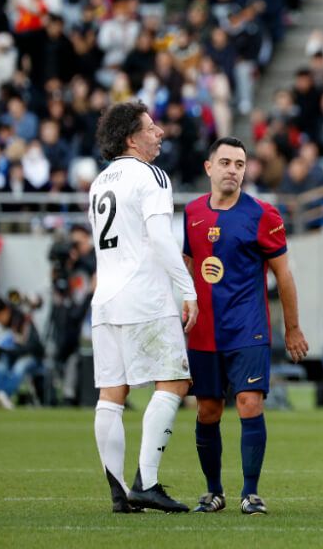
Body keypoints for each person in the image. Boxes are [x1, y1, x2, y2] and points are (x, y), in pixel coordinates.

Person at [182, 136, 309, 515]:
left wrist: (292, 328)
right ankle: (213, 491)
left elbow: (284, 275)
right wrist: (182, 311)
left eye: (239, 164)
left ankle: (250, 493)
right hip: (204, 330)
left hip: (248, 327)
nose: (233, 170)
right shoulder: (191, 213)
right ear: (209, 167)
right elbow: (186, 267)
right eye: (225, 163)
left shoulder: (263, 215)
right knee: (208, 411)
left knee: (249, 404)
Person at [88, 101, 198, 513]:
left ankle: (118, 493)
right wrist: (187, 289)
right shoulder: (150, 175)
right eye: (152, 128)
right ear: (132, 139)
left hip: (105, 299)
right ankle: (146, 483)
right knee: (173, 382)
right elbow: (160, 238)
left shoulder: (100, 181)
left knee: (111, 395)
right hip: (144, 295)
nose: (160, 133)